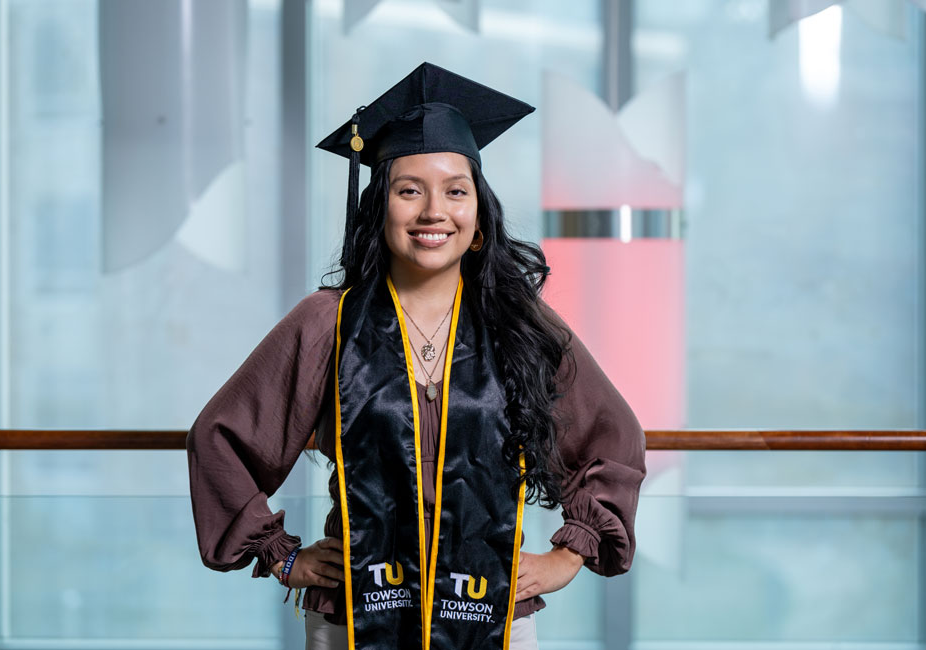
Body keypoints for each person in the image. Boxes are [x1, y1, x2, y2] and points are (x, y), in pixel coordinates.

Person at [187, 63, 646, 650]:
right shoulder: (326, 323)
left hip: (493, 613)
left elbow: (614, 438)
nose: (434, 211)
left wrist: (570, 553)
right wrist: (280, 556)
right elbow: (220, 438)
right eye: (410, 190)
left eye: (456, 190)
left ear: (478, 218)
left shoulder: (520, 326)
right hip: (356, 613)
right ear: (380, 209)